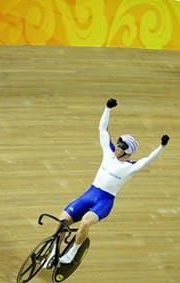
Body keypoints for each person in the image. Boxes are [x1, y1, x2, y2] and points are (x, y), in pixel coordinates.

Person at [45, 98, 170, 266]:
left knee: (85, 222)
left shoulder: (130, 167)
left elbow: (148, 160)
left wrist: (161, 147)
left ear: (127, 151)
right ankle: (53, 250)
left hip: (104, 201)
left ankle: (73, 251)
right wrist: (108, 108)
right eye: (117, 144)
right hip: (89, 194)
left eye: (120, 146)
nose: (116, 147)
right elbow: (102, 129)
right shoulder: (109, 152)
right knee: (62, 221)